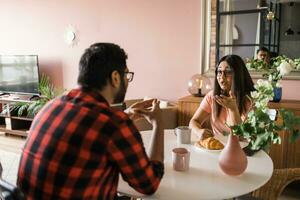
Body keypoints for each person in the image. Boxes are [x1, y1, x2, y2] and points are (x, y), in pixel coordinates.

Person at [17, 43, 164, 199]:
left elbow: (85, 130)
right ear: (115, 77)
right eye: (126, 75)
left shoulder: (50, 106)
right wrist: (158, 123)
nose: (127, 81)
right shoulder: (114, 124)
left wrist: (126, 114)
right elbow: (149, 184)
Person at [189, 54, 255, 140]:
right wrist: (198, 131)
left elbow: (240, 137)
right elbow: (194, 121)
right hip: (217, 147)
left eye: (228, 72)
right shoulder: (212, 96)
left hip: (240, 148)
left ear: (238, 75)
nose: (222, 78)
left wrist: (233, 109)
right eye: (219, 72)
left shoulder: (250, 101)